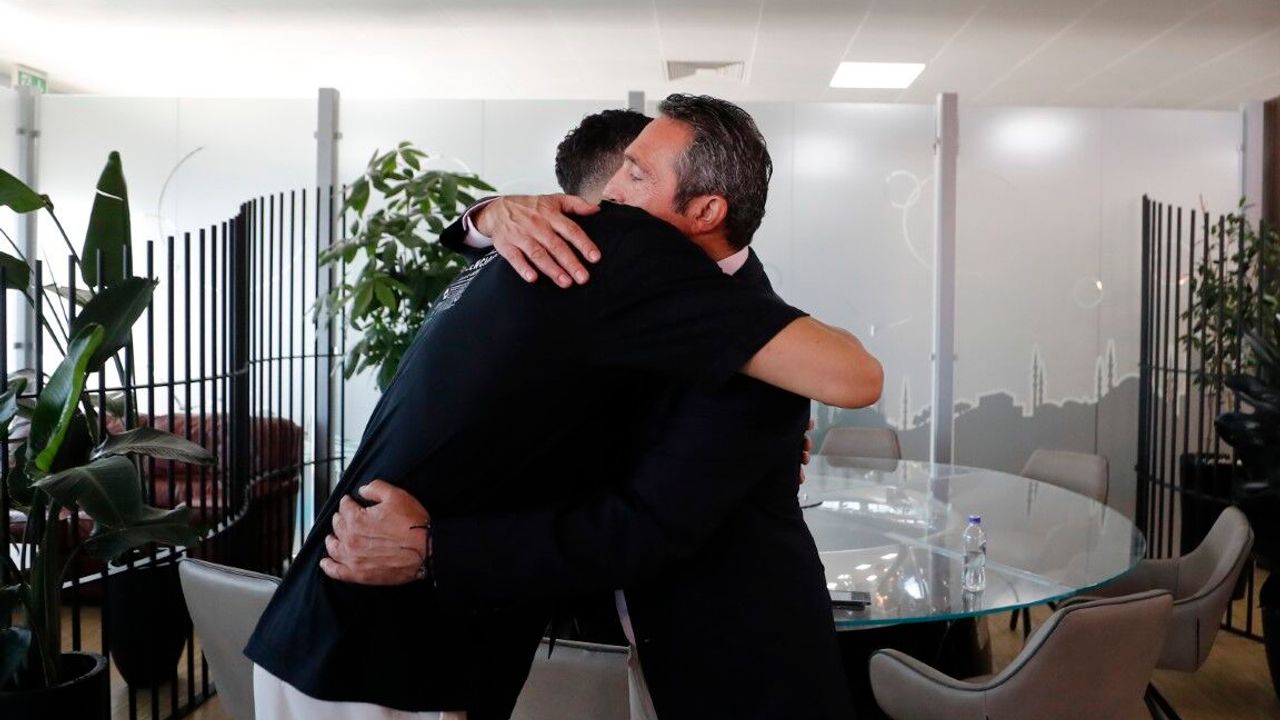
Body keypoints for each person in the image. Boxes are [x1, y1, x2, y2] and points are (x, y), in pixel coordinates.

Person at [246, 98, 881, 720]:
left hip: (732, 666)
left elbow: (852, 376)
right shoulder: (587, 266)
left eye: (637, 175)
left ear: (707, 210)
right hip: (407, 643)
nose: (609, 196)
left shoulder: (728, 324)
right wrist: (490, 214)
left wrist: (435, 548)